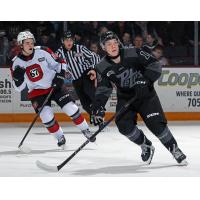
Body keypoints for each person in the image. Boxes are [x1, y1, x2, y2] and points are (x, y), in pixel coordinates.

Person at [90, 31, 187, 165]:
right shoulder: (102, 66)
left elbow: (155, 65)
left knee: (156, 125)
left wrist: (144, 80)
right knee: (124, 126)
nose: (113, 46)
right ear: (103, 47)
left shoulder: (133, 52)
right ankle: (145, 145)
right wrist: (98, 106)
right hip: (126, 98)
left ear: (118, 43)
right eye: (108, 44)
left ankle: (174, 149)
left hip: (145, 94)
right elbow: (103, 88)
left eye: (114, 43)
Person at [10, 31, 96, 150]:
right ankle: (60, 137)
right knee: (46, 117)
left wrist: (60, 77)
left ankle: (85, 130)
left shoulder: (43, 51)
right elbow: (18, 87)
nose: (30, 45)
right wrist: (17, 79)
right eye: (27, 43)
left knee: (71, 108)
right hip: (37, 92)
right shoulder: (16, 63)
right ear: (21, 45)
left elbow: (60, 63)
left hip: (54, 86)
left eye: (31, 42)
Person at [55, 31, 101, 125]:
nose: (69, 42)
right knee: (84, 104)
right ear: (62, 41)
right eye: (67, 40)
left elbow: (95, 57)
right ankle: (97, 118)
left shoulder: (80, 48)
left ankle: (100, 113)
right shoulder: (59, 53)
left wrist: (93, 69)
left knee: (91, 94)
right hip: (75, 80)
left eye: (71, 40)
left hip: (86, 75)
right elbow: (53, 65)